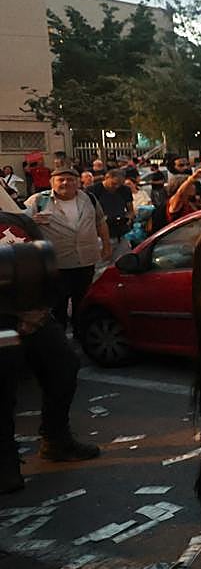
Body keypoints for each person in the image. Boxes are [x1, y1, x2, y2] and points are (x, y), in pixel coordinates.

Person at [1, 211, 102, 494]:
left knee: (64, 367)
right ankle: (5, 463)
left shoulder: (17, 221)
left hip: (37, 314)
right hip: (3, 323)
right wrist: (13, 318)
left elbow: (48, 262)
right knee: (3, 390)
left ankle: (56, 439)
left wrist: (44, 307)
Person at [23, 167, 110, 336]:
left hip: (85, 260)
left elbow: (101, 222)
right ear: (51, 182)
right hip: (56, 263)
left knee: (83, 301)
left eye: (70, 179)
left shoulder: (89, 198)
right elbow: (20, 223)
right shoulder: (39, 200)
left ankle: (81, 334)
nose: (65, 183)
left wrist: (106, 245)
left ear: (78, 182)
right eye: (60, 179)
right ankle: (59, 338)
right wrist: (32, 221)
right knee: (57, 305)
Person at [88, 168, 134, 256]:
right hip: (100, 234)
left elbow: (130, 210)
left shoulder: (125, 190)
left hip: (121, 232)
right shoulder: (93, 191)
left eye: (120, 184)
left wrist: (128, 219)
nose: (116, 187)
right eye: (114, 183)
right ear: (107, 177)